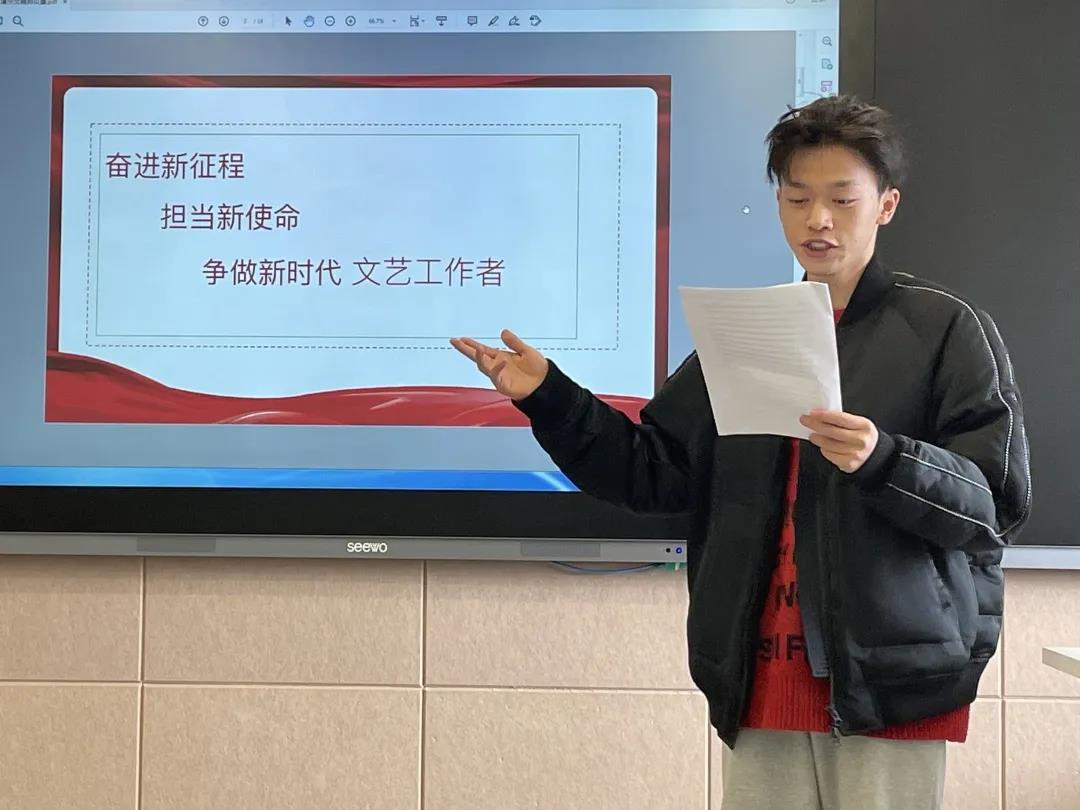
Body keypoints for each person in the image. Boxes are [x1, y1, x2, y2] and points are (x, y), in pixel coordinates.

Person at [451, 95, 1031, 810]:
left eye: (841, 199)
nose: (818, 220)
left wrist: (885, 459)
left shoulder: (945, 329)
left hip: (891, 684)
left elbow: (994, 503)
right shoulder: (752, 328)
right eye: (798, 198)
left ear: (885, 205)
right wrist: (550, 397)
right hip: (758, 674)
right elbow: (653, 473)